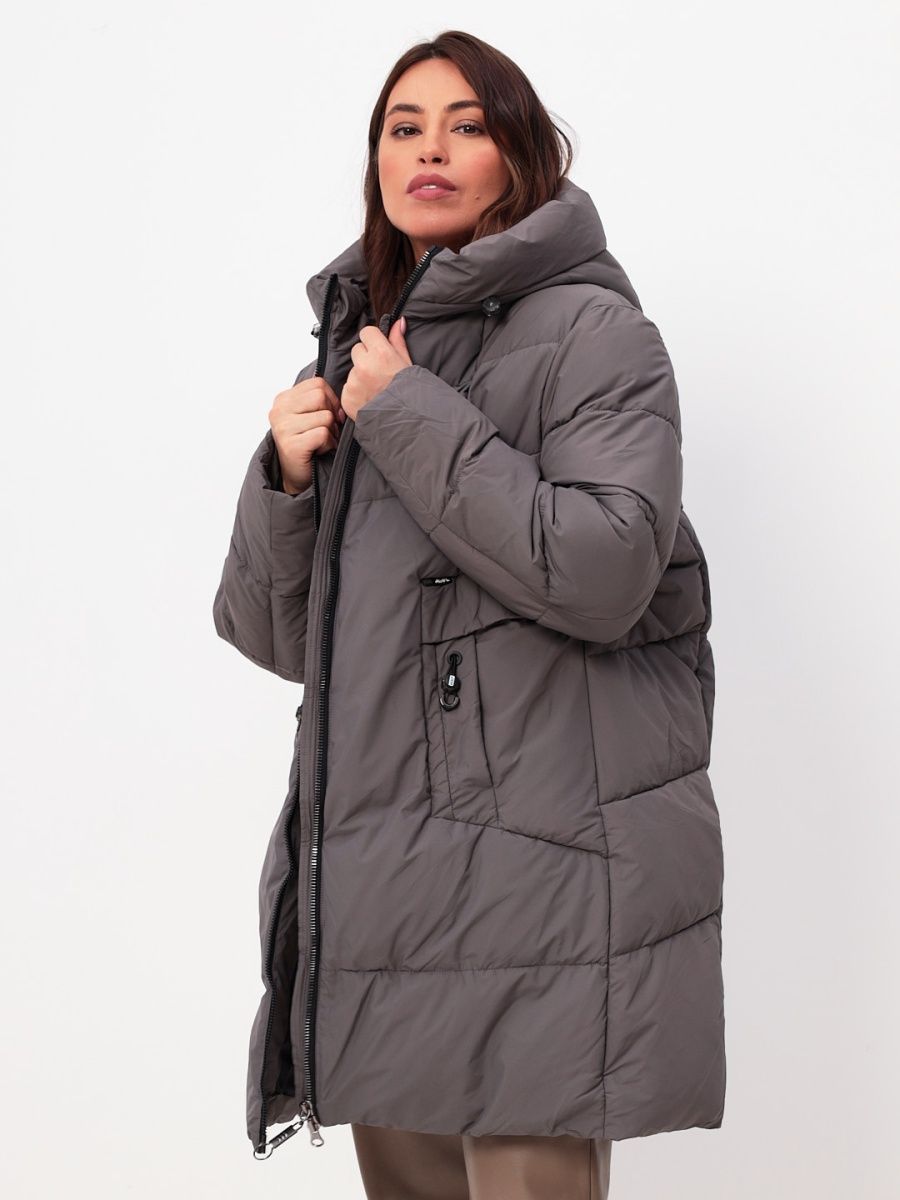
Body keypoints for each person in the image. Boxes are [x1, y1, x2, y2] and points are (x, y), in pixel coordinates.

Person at [213, 28, 725, 1200]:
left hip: (543, 877)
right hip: (385, 884)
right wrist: (287, 480)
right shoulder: (366, 350)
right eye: (404, 128)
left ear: (524, 157)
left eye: (466, 126)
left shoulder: (596, 335)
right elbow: (285, 644)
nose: (429, 150)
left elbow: (604, 571)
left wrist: (405, 415)